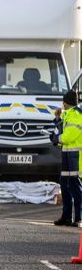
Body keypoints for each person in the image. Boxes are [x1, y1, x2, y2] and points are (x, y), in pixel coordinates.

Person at [52, 90, 82, 226]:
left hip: (75, 157)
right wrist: (58, 119)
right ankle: (66, 217)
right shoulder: (68, 114)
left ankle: (79, 218)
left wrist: (56, 139)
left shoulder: (76, 115)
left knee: (75, 187)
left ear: (66, 102)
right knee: (65, 186)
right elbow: (62, 131)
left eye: (63, 102)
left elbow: (67, 137)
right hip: (67, 156)